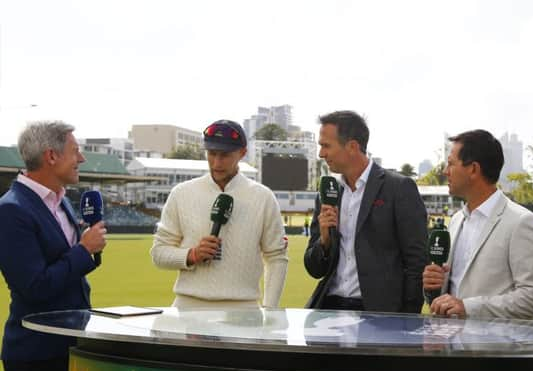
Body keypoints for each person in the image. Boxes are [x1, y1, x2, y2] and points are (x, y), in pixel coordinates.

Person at [0, 121, 106, 371]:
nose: (81, 158)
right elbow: (35, 287)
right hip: (36, 355)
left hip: (71, 346)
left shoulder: (62, 201)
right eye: (75, 150)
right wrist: (84, 249)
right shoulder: (11, 210)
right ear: (51, 156)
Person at [151, 119, 288, 308]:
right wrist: (192, 255)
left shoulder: (263, 197)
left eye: (224, 155)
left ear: (242, 153)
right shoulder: (181, 193)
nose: (216, 163)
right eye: (212, 154)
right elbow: (159, 253)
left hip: (244, 311)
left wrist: (271, 309)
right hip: (187, 310)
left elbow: (276, 257)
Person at [304, 111, 428, 313]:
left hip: (379, 314)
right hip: (329, 309)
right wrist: (324, 242)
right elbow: (314, 269)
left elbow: (417, 260)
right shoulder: (328, 193)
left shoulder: (398, 188)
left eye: (326, 145)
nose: (321, 154)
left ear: (352, 146)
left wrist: (406, 318)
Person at [423, 130, 533, 319]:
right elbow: (451, 291)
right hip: (449, 343)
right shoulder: (456, 221)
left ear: (473, 169)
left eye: (450, 164)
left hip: (494, 346)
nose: (445, 171)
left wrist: (469, 307)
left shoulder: (521, 222)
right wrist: (433, 287)